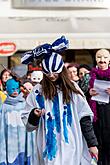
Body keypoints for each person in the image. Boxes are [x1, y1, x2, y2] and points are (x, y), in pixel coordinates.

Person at [21, 36, 98, 165]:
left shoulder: (72, 89)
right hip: (48, 145)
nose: (51, 76)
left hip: (71, 143)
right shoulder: (37, 92)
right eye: (48, 73)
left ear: (61, 71)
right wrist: (35, 114)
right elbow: (28, 124)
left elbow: (84, 117)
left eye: (55, 73)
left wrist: (92, 144)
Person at [0, 78, 37, 165]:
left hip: (24, 137)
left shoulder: (25, 104)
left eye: (17, 88)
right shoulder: (4, 106)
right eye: (12, 89)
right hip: (10, 140)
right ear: (7, 89)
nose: (15, 91)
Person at [89, 49, 110, 165]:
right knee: (98, 148)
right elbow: (80, 95)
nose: (102, 60)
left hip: (108, 115)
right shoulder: (89, 76)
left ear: (109, 60)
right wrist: (89, 93)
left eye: (105, 57)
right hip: (95, 117)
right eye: (99, 57)